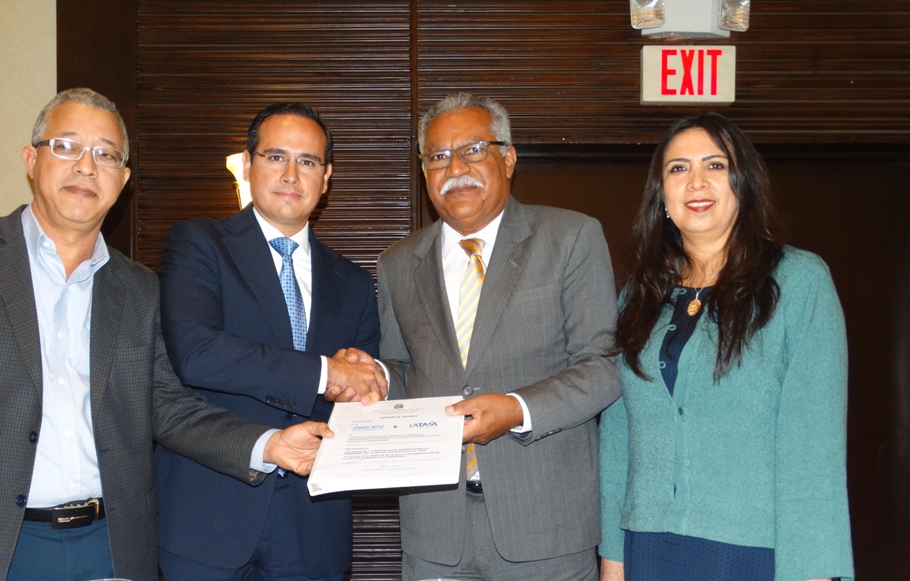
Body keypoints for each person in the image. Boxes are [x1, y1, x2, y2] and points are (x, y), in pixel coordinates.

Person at [0, 88, 331, 581]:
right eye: (66, 146)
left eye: (106, 155)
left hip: (110, 546)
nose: (85, 166)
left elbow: (170, 408)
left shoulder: (140, 288)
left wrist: (269, 445)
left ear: (122, 179)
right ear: (31, 159)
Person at [374, 92, 621, 580]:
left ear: (507, 159)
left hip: (545, 526)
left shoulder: (571, 237)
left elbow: (602, 366)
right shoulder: (397, 262)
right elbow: (404, 371)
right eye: (438, 157)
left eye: (473, 150)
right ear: (424, 171)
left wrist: (517, 409)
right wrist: (374, 380)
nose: (455, 169)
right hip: (435, 531)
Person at [598, 112, 853, 581]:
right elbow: (618, 440)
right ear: (662, 197)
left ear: (744, 183)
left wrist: (815, 572)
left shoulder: (798, 282)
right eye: (678, 168)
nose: (696, 181)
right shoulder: (639, 295)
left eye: (715, 165)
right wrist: (613, 560)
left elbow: (814, 452)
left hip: (754, 552)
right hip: (648, 547)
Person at [154, 102, 384, 581]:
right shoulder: (199, 245)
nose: (291, 175)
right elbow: (198, 353)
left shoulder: (354, 282)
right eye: (276, 156)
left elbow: (363, 392)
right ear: (248, 163)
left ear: (326, 178)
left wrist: (369, 381)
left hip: (314, 525)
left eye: (308, 161)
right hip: (208, 517)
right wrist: (327, 372)